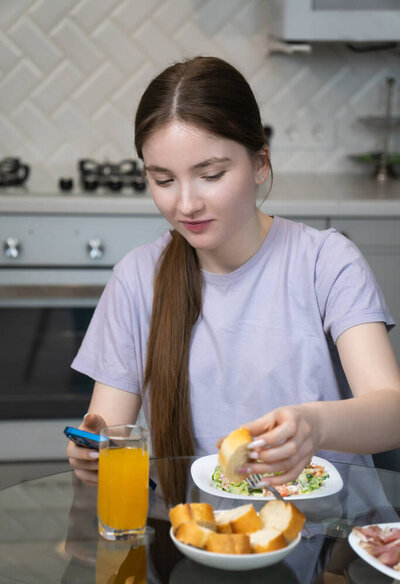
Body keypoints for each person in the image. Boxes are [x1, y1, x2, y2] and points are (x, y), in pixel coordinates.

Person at [67, 55, 400, 491]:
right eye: (163, 181)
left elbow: (391, 411)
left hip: (328, 534)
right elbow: (110, 435)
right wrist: (93, 453)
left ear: (261, 163)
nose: (185, 205)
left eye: (210, 175)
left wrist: (312, 425)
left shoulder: (326, 262)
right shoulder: (136, 279)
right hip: (196, 535)